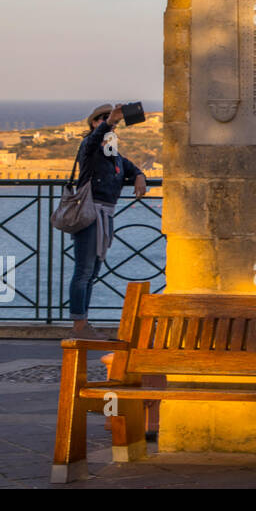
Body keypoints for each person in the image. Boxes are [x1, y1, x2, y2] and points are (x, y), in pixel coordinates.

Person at [69, 104, 146, 337]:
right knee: (83, 270)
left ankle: (84, 322)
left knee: (93, 271)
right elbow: (94, 141)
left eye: (109, 119)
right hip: (91, 213)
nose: (108, 122)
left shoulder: (112, 153)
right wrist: (110, 121)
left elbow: (128, 167)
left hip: (106, 214)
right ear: (94, 123)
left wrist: (140, 176)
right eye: (100, 119)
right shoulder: (88, 148)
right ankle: (79, 325)